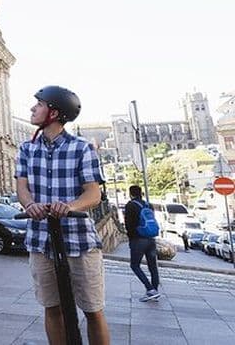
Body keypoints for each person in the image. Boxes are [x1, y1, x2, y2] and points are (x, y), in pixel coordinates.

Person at [15, 86, 110, 345]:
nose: (33, 108)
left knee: (93, 310)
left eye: (39, 104)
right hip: (40, 240)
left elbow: (93, 194)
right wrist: (30, 205)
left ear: (54, 112)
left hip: (79, 241)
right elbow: (22, 186)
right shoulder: (26, 149)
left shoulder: (82, 148)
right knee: (52, 307)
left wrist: (69, 207)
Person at [124, 185, 160, 301]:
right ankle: (155, 290)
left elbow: (129, 225)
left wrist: (130, 238)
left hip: (138, 239)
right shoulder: (148, 205)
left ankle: (150, 289)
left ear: (131, 193)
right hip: (151, 238)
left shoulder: (131, 205)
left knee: (134, 265)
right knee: (153, 266)